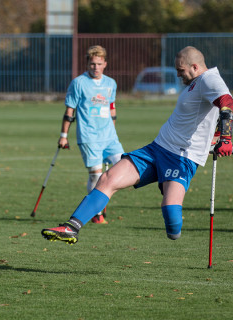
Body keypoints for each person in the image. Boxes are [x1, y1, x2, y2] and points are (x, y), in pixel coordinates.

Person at [42, 46, 233, 245]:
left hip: (181, 158)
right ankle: (71, 227)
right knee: (108, 178)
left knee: (171, 217)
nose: (178, 74)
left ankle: (173, 220)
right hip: (156, 148)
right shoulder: (195, 83)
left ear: (195, 66)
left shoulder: (210, 79)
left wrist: (226, 138)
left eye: (180, 70)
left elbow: (227, 103)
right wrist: (217, 132)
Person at [59, 45, 124, 224]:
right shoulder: (78, 83)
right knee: (96, 175)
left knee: (124, 168)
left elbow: (112, 108)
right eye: (92, 64)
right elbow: (69, 110)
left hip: (110, 138)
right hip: (89, 137)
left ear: (105, 64)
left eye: (99, 64)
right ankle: (96, 214)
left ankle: (101, 201)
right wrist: (63, 135)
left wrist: (114, 129)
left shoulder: (111, 83)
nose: (95, 67)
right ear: (88, 64)